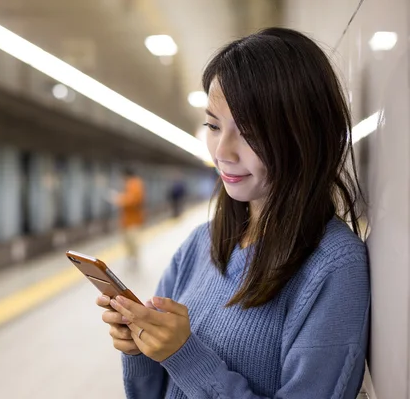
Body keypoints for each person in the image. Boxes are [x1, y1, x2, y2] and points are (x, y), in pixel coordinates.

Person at [96, 27, 369, 398]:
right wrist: (142, 347)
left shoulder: (334, 267)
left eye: (250, 131)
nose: (223, 150)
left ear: (305, 134)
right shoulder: (201, 243)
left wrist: (183, 355)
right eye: (212, 125)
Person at [112, 168, 146, 268]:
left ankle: (134, 258)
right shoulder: (131, 184)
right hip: (127, 219)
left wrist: (120, 199)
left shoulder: (134, 184)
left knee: (132, 240)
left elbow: (133, 200)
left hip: (133, 219)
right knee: (128, 240)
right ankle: (131, 257)